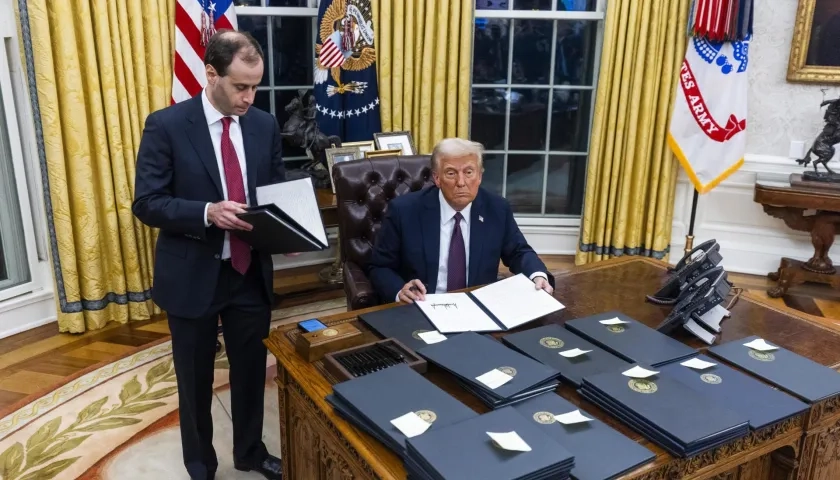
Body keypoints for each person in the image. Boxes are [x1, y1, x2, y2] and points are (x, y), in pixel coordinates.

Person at [132, 30, 284, 480]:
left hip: (249, 271)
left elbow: (273, 194)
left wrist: (288, 223)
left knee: (252, 371)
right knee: (195, 382)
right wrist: (206, 212)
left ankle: (251, 453)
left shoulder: (264, 124)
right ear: (211, 74)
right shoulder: (167, 125)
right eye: (240, 86)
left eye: (256, 86)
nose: (249, 97)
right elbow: (147, 202)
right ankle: (200, 466)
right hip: (193, 273)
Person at [366, 138, 554, 304]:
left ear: (479, 176)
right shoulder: (404, 211)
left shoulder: (496, 208)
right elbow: (380, 266)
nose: (461, 182)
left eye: (469, 172)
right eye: (451, 173)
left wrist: (537, 274)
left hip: (477, 307)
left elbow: (518, 252)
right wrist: (400, 291)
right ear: (437, 178)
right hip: (423, 306)